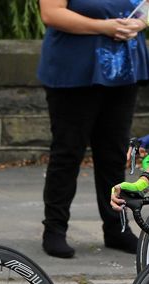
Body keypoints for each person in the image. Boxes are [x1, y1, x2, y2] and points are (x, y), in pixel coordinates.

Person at [38, 0, 149, 258]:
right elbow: (51, 13)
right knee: (68, 152)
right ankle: (54, 229)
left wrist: (140, 22)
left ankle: (116, 228)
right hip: (74, 71)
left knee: (114, 153)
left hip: (123, 71)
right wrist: (104, 27)